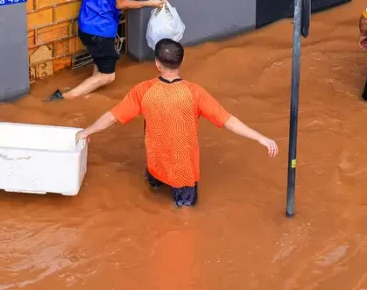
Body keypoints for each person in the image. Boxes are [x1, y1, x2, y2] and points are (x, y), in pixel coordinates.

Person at [75, 39, 278, 207]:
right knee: (184, 218)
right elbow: (228, 121)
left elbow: (112, 117)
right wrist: (260, 138)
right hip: (184, 172)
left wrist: (86, 131)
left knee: (152, 197)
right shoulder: (195, 93)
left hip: (155, 165)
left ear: (157, 63)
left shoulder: (143, 90)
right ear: (180, 63)